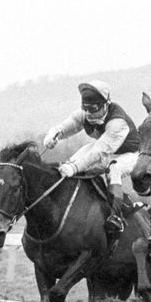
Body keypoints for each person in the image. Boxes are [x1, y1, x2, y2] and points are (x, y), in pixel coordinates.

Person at [42, 80, 140, 235]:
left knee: (113, 168)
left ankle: (116, 216)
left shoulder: (118, 122)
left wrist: (74, 168)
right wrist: (54, 134)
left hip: (129, 155)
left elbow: (99, 153)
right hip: (105, 149)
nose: (88, 113)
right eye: (85, 108)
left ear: (105, 105)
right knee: (70, 163)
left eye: (93, 108)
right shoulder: (85, 114)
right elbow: (68, 126)